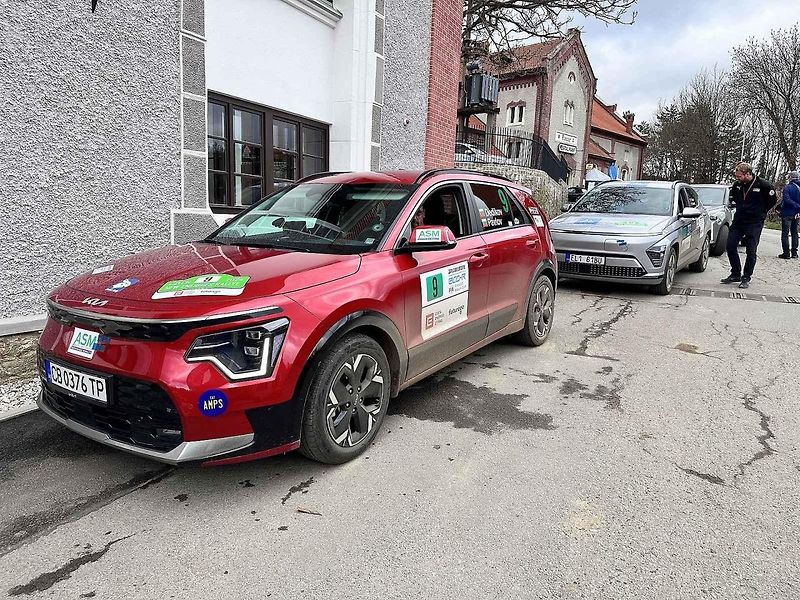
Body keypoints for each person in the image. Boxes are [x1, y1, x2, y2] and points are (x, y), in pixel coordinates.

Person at [720, 162, 777, 289]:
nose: (737, 178)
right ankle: (735, 273)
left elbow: (772, 201)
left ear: (748, 174)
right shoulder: (737, 185)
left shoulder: (764, 185)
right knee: (730, 245)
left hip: (755, 222)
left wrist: (761, 212)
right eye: (736, 176)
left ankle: (746, 276)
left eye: (739, 176)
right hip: (739, 220)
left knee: (751, 250)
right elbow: (734, 198)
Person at [778, 170, 800, 259]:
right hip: (797, 214)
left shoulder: (787, 187)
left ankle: (786, 253)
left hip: (787, 213)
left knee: (785, 233)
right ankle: (794, 253)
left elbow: (786, 200)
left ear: (790, 177)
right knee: (795, 232)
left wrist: (796, 206)